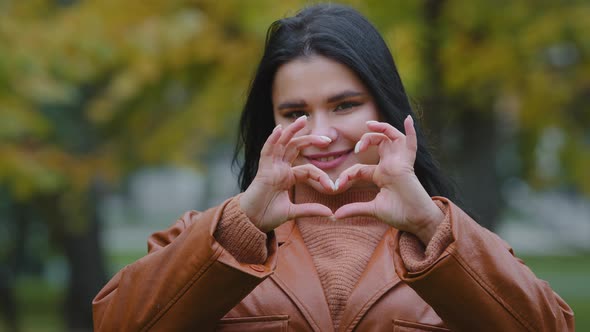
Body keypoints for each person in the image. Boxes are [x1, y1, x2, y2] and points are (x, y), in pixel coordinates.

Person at [92, 4, 574, 331]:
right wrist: (243, 224)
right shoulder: (216, 238)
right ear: (271, 123)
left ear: (384, 107)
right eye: (294, 112)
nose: (320, 133)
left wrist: (428, 223)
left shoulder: (446, 240)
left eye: (344, 105)